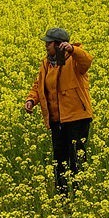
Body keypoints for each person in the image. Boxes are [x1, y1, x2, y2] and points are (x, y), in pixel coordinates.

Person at [24, 27, 93, 195]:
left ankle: (79, 194)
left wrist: (73, 49)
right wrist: (31, 99)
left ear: (59, 44)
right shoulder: (46, 63)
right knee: (59, 161)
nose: (46, 46)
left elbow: (87, 61)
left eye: (49, 43)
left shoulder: (75, 60)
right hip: (57, 120)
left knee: (76, 159)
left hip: (77, 118)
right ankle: (62, 196)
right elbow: (39, 85)